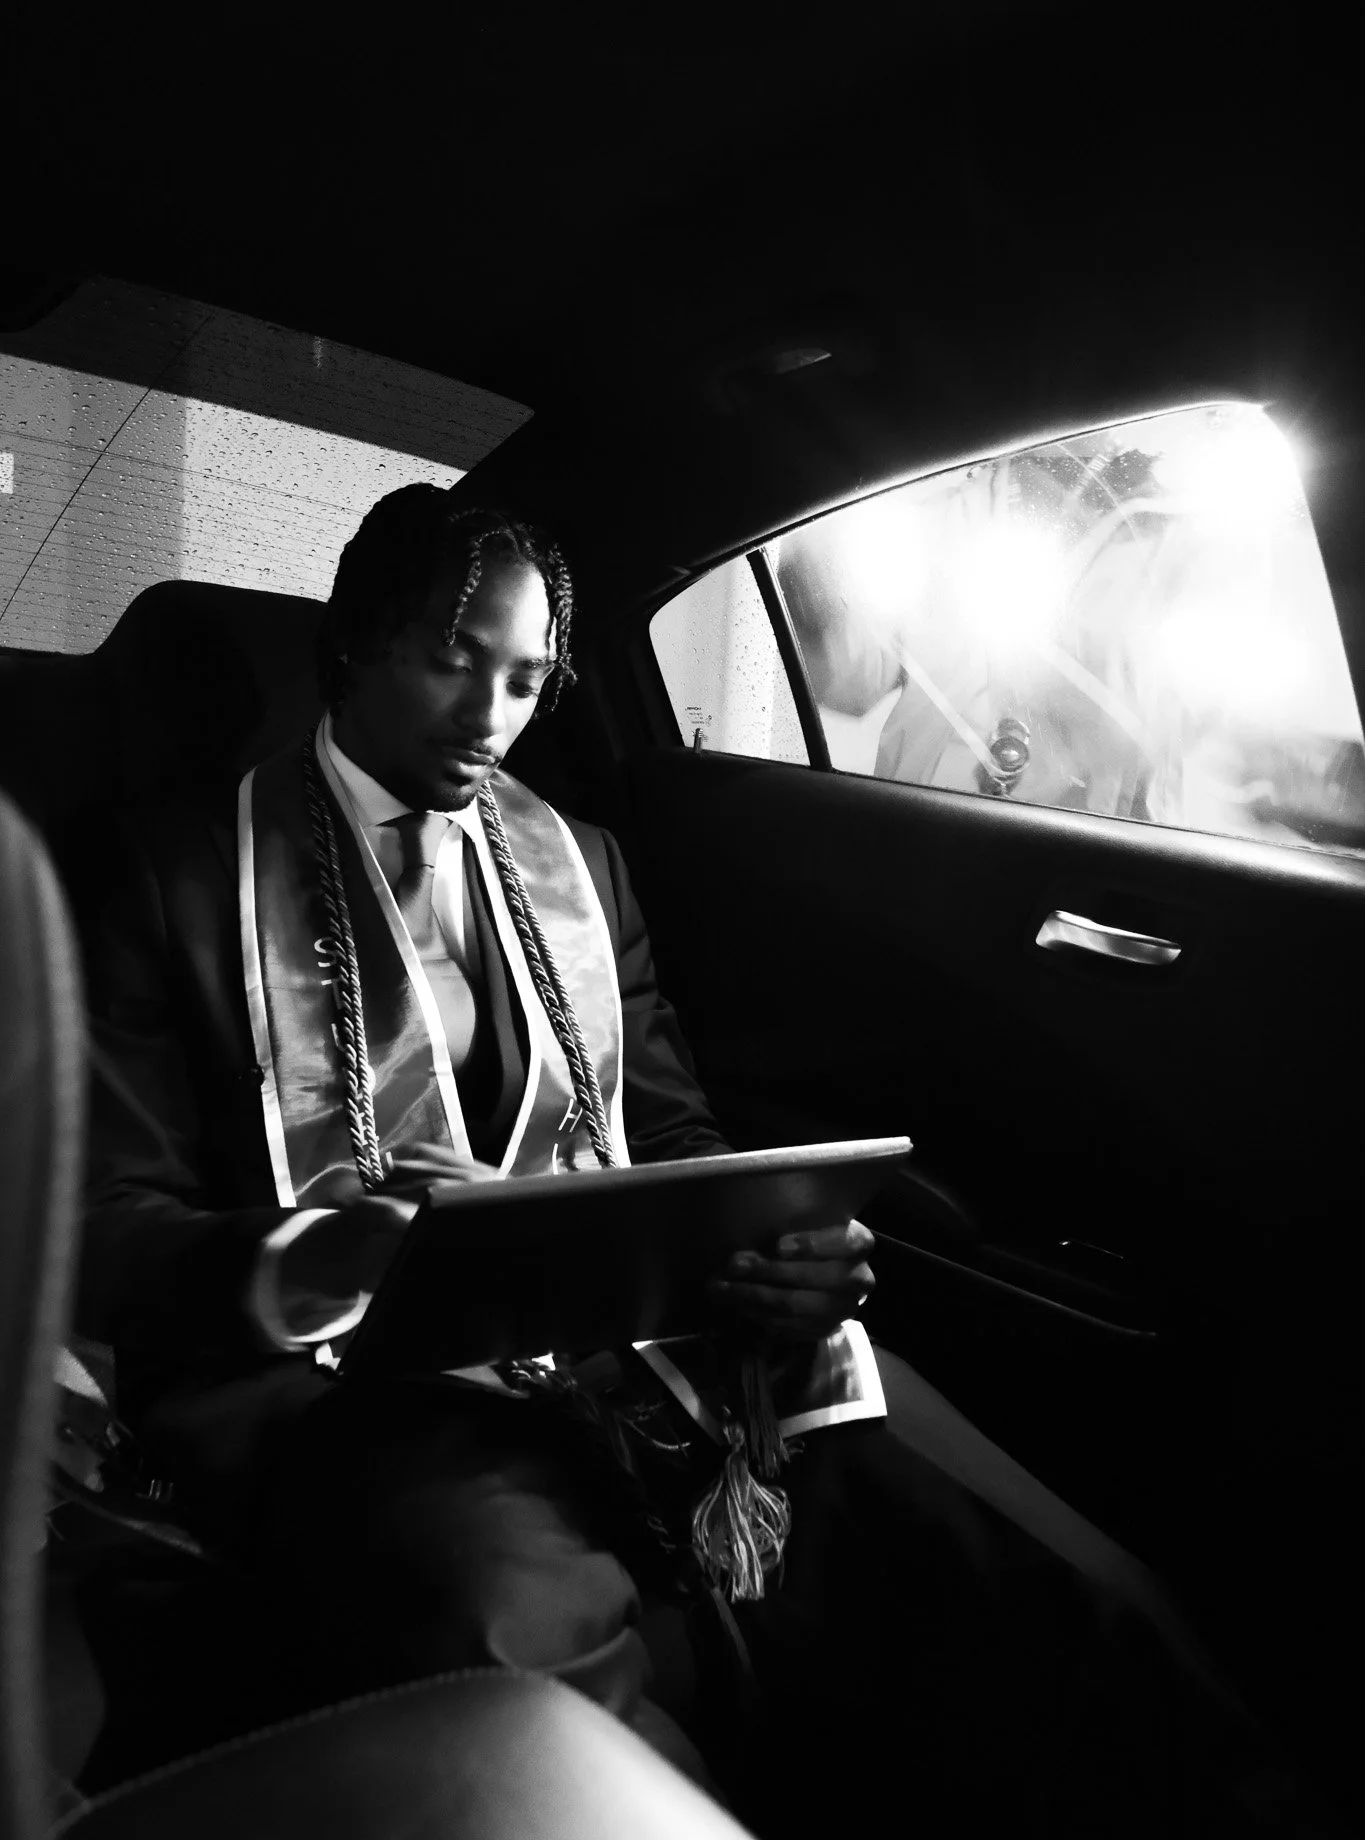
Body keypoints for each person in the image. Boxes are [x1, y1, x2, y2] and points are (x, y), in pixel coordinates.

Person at [79, 488, 1346, 1837]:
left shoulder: (584, 865)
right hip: (358, 1379)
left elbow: (667, 1136)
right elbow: (101, 1225)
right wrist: (308, 1259)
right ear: (358, 640)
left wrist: (775, 1245)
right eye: (454, 658)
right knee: (516, 1630)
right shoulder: (171, 875)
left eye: (524, 679)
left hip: (643, 1339)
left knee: (1026, 1555)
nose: (490, 716)